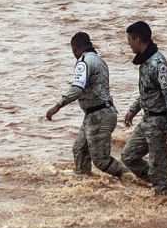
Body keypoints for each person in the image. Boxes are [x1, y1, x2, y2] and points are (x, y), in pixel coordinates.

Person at [45, 32, 129, 179]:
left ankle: (132, 177)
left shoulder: (83, 62)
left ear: (75, 48)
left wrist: (57, 106)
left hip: (99, 115)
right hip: (98, 114)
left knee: (101, 160)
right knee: (79, 149)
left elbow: (77, 89)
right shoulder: (99, 61)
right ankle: (84, 183)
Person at [121, 21, 167, 196]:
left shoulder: (157, 63)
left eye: (129, 40)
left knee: (158, 172)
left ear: (138, 39)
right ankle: (165, 185)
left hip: (159, 122)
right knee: (128, 156)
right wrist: (133, 109)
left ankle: (165, 193)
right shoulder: (145, 62)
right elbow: (149, 92)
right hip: (147, 120)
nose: (128, 44)